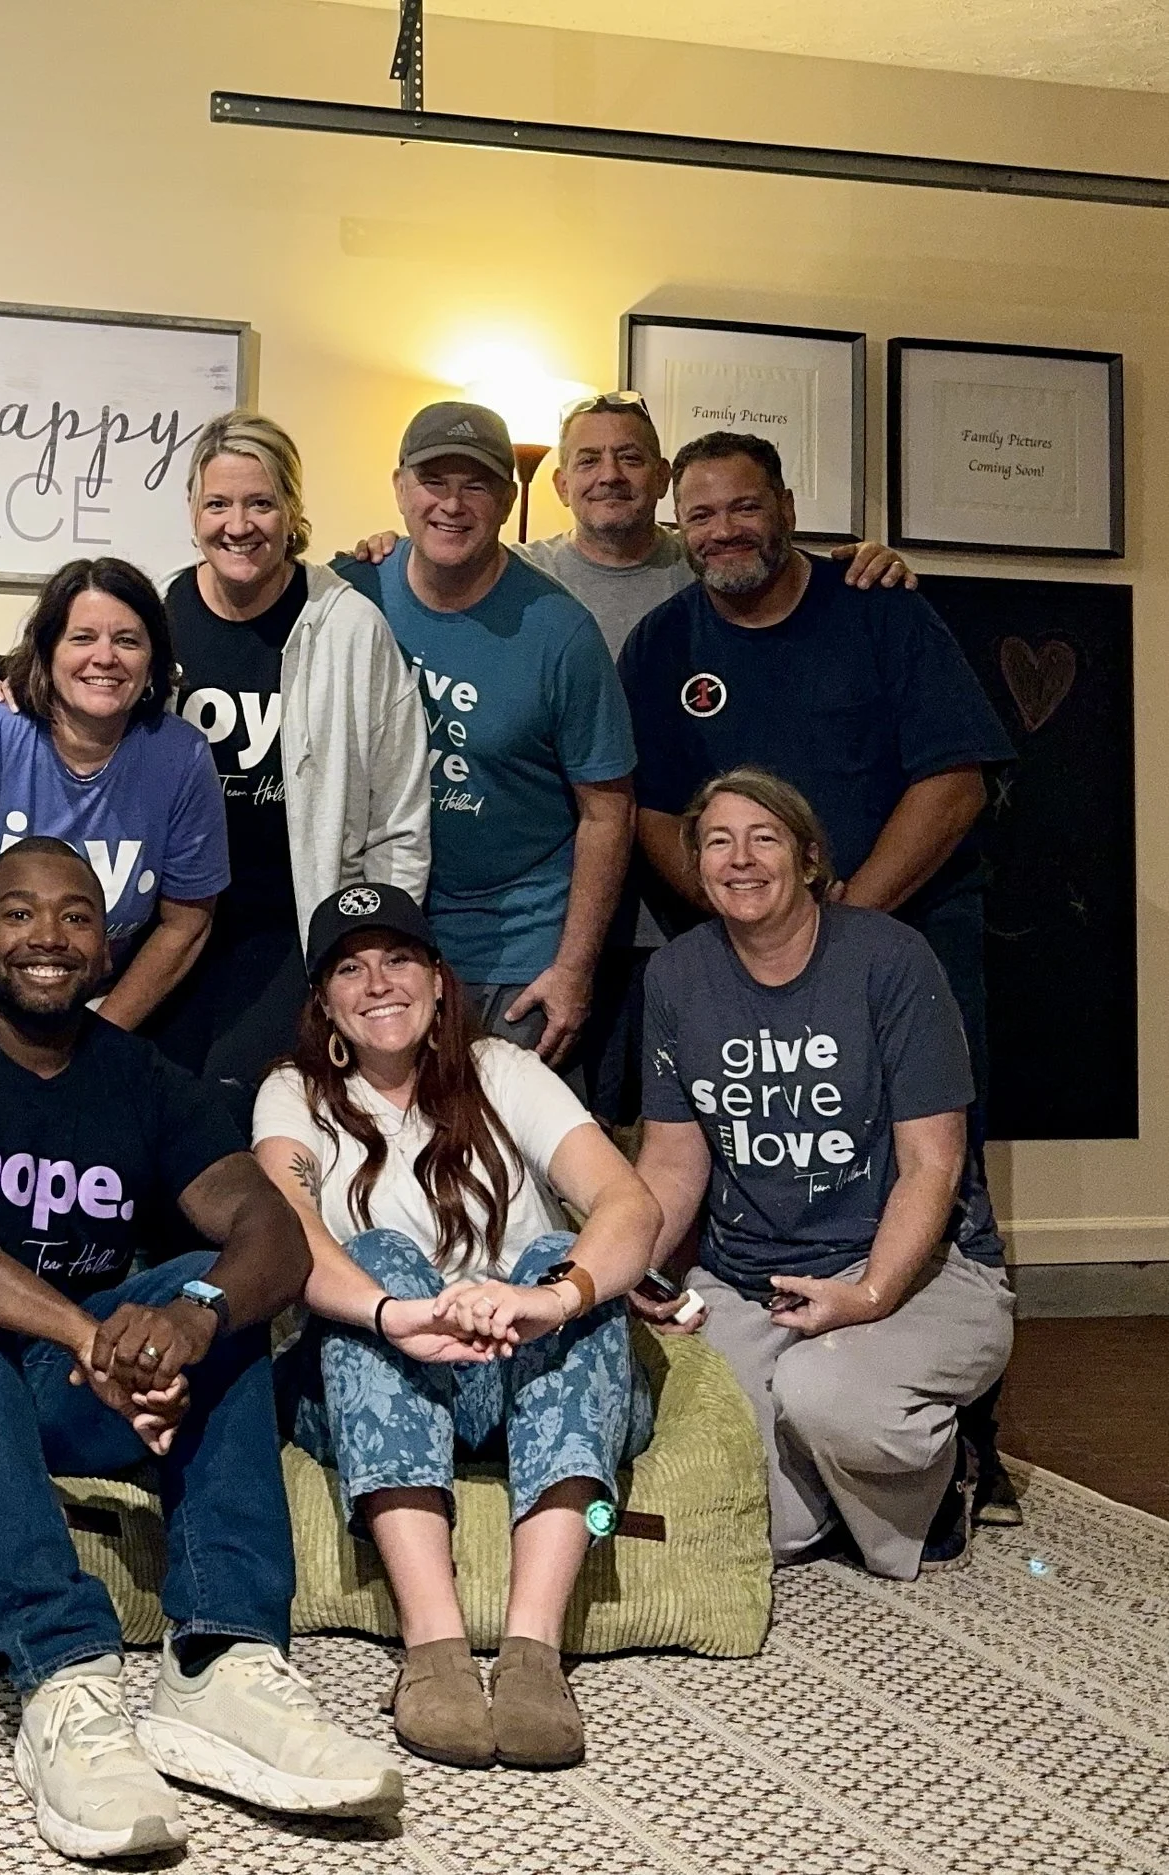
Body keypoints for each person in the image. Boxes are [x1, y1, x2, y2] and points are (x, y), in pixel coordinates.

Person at [0, 839, 403, 1862]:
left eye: (75, 916)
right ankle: (63, 1673)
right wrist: (83, 1333)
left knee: (214, 1295)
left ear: (106, 947)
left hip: (25, 1378)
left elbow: (270, 1233)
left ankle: (222, 1660)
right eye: (17, 914)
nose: (46, 936)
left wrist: (191, 1317)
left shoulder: (144, 1080)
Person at [619, 431, 1019, 1519]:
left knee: (935, 1168)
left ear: (787, 509)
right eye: (702, 515)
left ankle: (968, 1443)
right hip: (754, 953)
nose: (724, 531)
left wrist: (839, 924)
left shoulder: (878, 608)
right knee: (759, 1149)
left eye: (744, 507)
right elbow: (650, 809)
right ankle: (807, 1410)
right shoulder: (664, 641)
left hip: (906, 933)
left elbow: (955, 778)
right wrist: (745, 916)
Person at [353, 394, 914, 1120]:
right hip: (574, 914)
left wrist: (864, 562)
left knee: (702, 1120)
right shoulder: (497, 568)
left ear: (660, 478)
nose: (609, 475)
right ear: (558, 483)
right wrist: (375, 550)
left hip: (670, 918)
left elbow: (788, 578)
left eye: (629, 458)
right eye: (588, 459)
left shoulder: (707, 568)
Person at [255, 882, 661, 1770]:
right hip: (384, 1360)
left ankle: (532, 1654)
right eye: (350, 969)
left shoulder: (502, 1070)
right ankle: (434, 1650)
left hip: (524, 1356)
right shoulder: (293, 1093)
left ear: (439, 980)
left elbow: (630, 1203)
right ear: (323, 1001)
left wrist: (551, 1297)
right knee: (379, 1256)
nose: (378, 983)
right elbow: (287, 1229)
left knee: (557, 1249)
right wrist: (397, 1313)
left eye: (399, 959)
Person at [631, 770, 1013, 1579]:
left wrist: (868, 1294)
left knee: (823, 1391)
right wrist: (639, 1268)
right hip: (750, 1280)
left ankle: (940, 1478)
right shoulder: (676, 976)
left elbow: (932, 1164)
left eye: (763, 838)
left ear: (809, 860)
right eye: (718, 842)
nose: (739, 859)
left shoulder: (890, 959)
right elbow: (670, 1160)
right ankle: (843, 1486)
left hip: (916, 1269)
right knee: (741, 1522)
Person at [335, 402, 634, 1083]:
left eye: (475, 484)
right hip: (384, 942)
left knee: (515, 1148)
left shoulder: (561, 632)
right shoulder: (354, 591)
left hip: (519, 959)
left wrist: (574, 970)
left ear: (506, 500)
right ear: (400, 488)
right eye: (433, 481)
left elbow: (608, 811)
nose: (452, 504)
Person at [149, 412, 429, 1093]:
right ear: (193, 512)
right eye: (217, 504)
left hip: (293, 933)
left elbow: (399, 815)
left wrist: (371, 953)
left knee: (241, 1104)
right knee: (154, 1101)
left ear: (292, 510)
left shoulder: (348, 627)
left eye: (260, 503)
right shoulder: (159, 614)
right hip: (169, 926)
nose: (238, 524)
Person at [0, 558, 229, 1034]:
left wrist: (100, 1044)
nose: (105, 657)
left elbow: (186, 923)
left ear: (154, 662)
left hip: (91, 994)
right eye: (82, 638)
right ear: (47, 651)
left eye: (127, 641)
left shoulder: (182, 757)